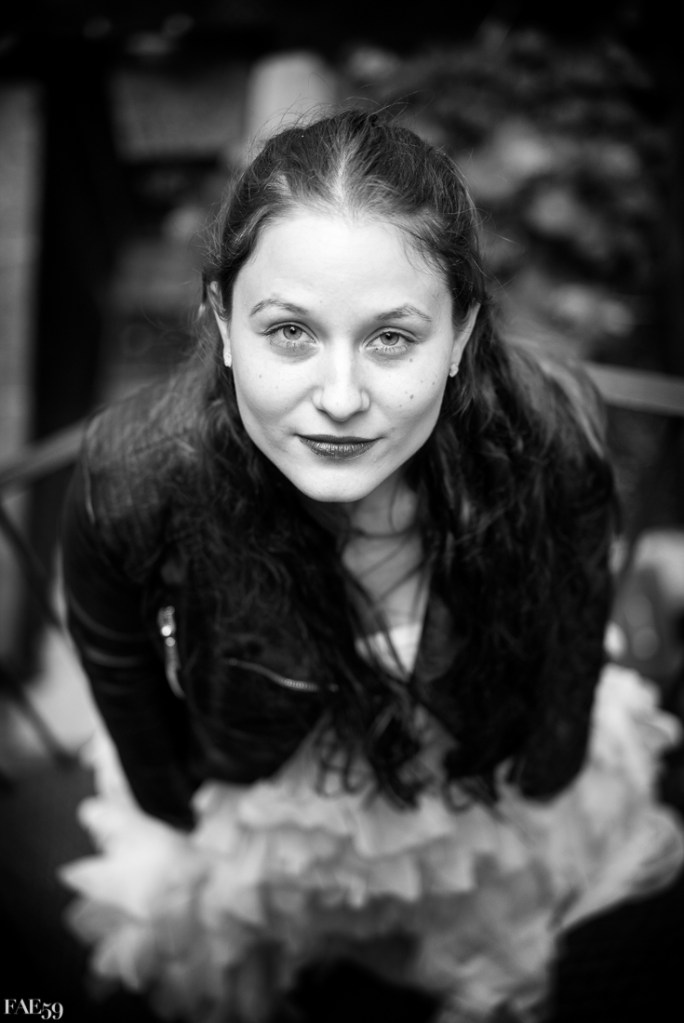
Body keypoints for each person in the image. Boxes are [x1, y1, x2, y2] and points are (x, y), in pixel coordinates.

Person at [57, 108, 684, 1023]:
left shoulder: (549, 438)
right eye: (290, 332)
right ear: (223, 323)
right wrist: (173, 805)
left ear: (460, 334)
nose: (342, 398)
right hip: (263, 790)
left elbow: (573, 626)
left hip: (477, 779)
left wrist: (546, 782)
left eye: (392, 337)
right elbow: (116, 659)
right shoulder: (131, 474)